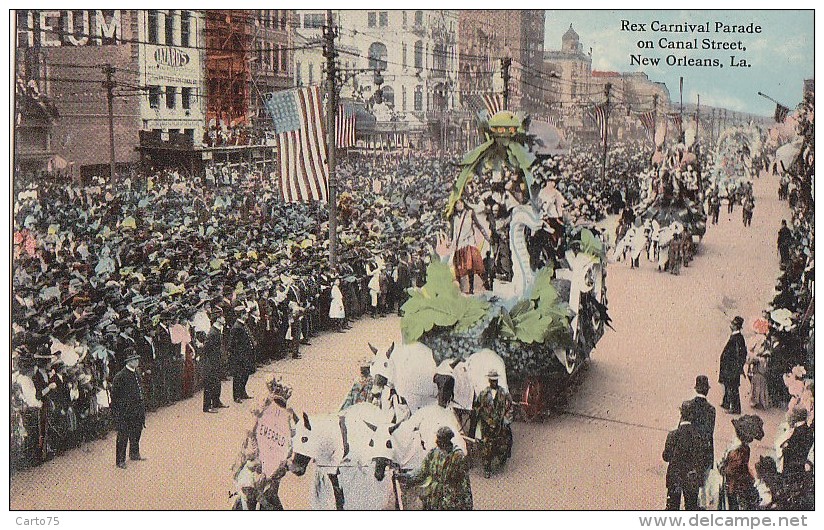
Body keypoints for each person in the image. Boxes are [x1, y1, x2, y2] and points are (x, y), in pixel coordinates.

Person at [401, 426, 472, 510]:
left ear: (447, 440)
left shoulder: (458, 456)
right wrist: (408, 476)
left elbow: (464, 482)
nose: (436, 441)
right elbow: (423, 470)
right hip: (433, 496)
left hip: (450, 498)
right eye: (437, 438)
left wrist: (467, 505)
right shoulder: (434, 452)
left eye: (440, 439)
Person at [662, 401, 704, 510]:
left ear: (681, 414)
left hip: (674, 476)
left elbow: (666, 457)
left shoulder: (673, 434)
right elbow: (701, 459)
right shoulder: (698, 436)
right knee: (691, 508)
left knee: (672, 507)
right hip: (691, 478)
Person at [474, 369, 514, 478]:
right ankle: (487, 469)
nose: (494, 383)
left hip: (500, 425)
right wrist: (484, 419)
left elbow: (510, 407)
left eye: (495, 380)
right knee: (486, 447)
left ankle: (501, 461)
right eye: (492, 380)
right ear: (489, 380)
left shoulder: (504, 393)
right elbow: (477, 407)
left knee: (503, 444)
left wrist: (507, 419)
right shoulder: (483, 394)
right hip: (487, 425)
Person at [111, 350, 147, 469]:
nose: (137, 361)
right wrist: (118, 411)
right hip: (126, 410)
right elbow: (115, 395)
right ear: (129, 361)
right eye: (135, 359)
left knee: (137, 431)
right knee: (123, 435)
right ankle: (120, 460)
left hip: (138, 408)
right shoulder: (121, 376)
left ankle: (134, 453)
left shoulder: (136, 372)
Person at [450, 199, 490, 294]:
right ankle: (463, 289)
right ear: (455, 206)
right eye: (457, 203)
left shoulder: (469, 213)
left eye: (461, 202)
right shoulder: (454, 218)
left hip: (470, 242)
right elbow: (453, 233)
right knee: (462, 268)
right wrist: (452, 244)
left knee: (472, 265)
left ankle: (476, 286)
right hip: (460, 244)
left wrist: (487, 237)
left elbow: (479, 225)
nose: (460, 205)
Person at [687, 375, 716, 475]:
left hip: (690, 447)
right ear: (707, 391)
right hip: (704, 450)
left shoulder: (689, 405)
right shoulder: (711, 409)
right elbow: (710, 432)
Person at [719, 316, 747, 414]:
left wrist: (738, 367)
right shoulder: (735, 336)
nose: (730, 325)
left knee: (732, 387)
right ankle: (726, 403)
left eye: (732, 324)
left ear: (736, 326)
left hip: (732, 368)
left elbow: (741, 354)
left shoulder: (738, 338)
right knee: (728, 385)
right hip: (729, 367)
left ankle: (735, 408)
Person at [202, 317, 228, 413]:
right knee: (210, 384)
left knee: (217, 382)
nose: (224, 319)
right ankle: (207, 406)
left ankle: (216, 402)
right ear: (217, 319)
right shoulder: (212, 332)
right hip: (211, 362)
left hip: (216, 361)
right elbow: (206, 348)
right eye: (222, 317)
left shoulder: (217, 330)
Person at [229, 314, 256, 403]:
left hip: (246, 354)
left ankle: (242, 392)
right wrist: (238, 355)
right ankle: (236, 395)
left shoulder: (242, 325)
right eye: (245, 313)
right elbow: (233, 344)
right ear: (241, 315)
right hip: (240, 356)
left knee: (245, 374)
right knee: (238, 376)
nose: (247, 315)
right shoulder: (237, 327)